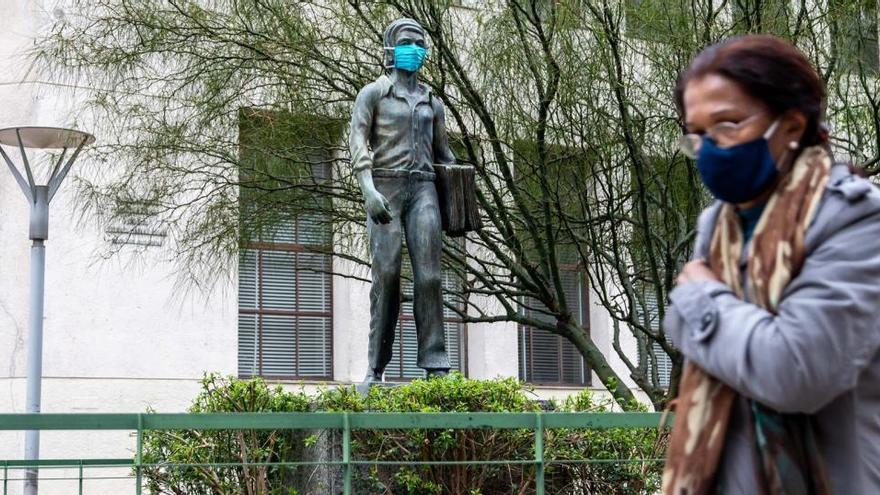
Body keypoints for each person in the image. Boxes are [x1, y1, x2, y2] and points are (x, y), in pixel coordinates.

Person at [662, 35, 880, 494]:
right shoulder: (718, 224)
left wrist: (701, 297)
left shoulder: (857, 218)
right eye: (697, 135)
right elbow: (673, 327)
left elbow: (796, 371)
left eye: (727, 125)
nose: (709, 149)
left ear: (792, 125)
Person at [349, 18, 456, 391]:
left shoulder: (432, 103)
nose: (416, 50)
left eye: (421, 43)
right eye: (409, 42)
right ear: (391, 50)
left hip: (424, 189)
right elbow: (358, 145)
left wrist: (462, 184)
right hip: (385, 189)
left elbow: (444, 153)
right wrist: (368, 190)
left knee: (430, 276)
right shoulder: (373, 94)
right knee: (388, 276)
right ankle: (375, 369)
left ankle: (436, 364)